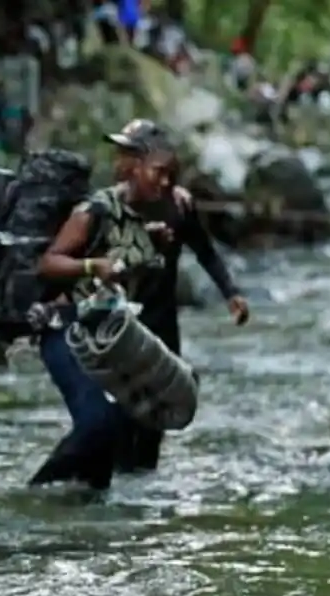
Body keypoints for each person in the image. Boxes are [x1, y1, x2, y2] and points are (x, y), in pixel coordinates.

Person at [26, 127, 181, 491]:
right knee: (98, 423)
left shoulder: (146, 218)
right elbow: (47, 263)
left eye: (171, 174)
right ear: (133, 168)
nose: (165, 181)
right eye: (158, 171)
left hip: (108, 340)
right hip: (65, 330)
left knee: (113, 438)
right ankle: (34, 496)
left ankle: (86, 520)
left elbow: (127, 276)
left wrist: (152, 245)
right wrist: (91, 266)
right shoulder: (93, 210)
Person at [102, 120, 248, 473]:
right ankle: (118, 478)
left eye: (129, 153)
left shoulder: (179, 205)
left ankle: (142, 481)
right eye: (121, 153)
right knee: (118, 411)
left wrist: (231, 293)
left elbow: (205, 252)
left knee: (157, 411)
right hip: (118, 322)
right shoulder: (108, 205)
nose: (120, 161)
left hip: (162, 320)